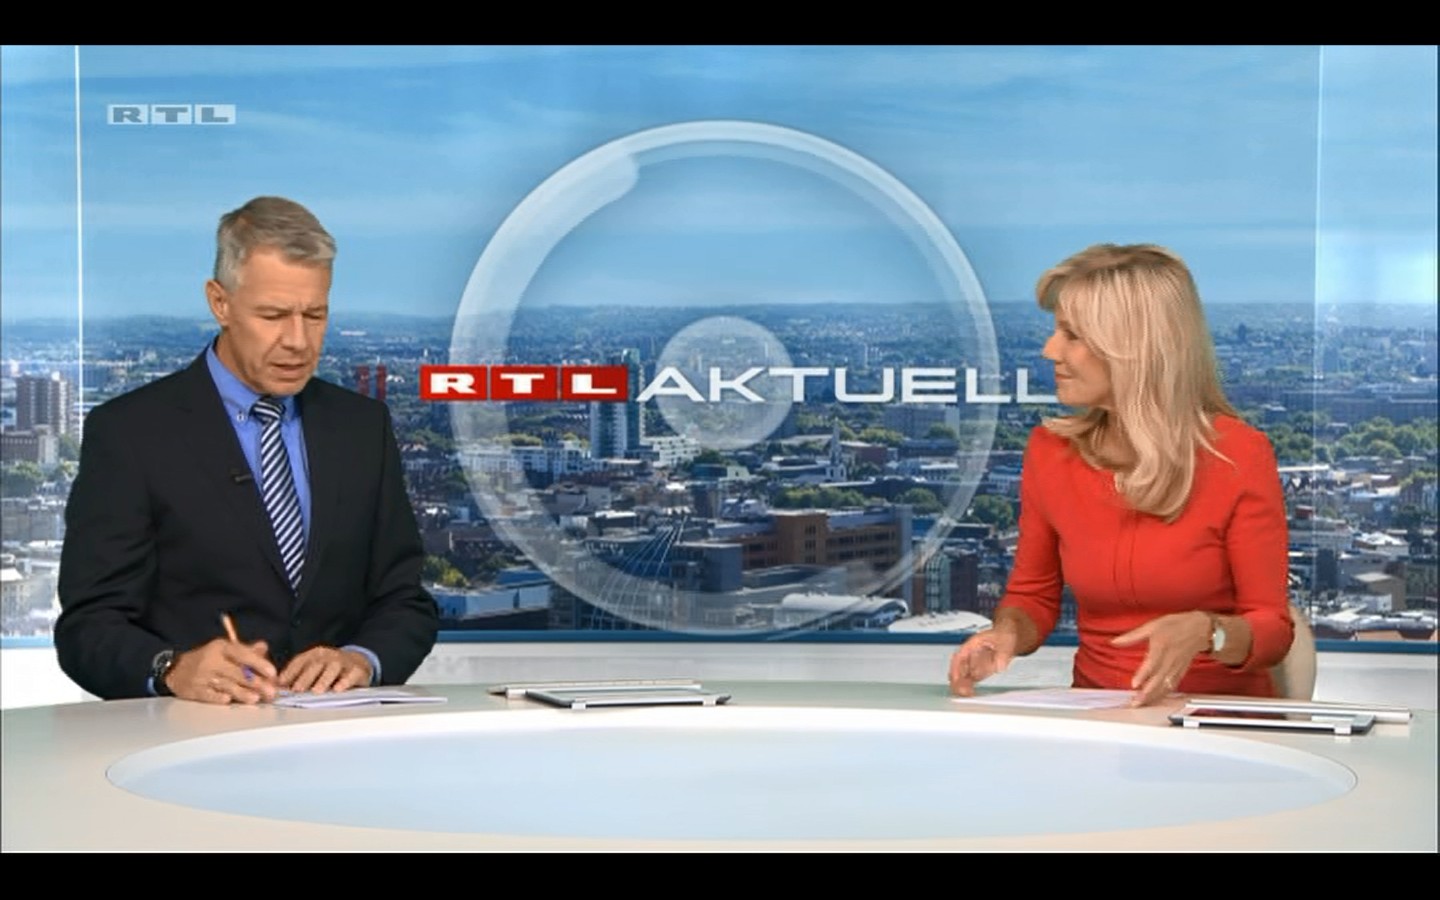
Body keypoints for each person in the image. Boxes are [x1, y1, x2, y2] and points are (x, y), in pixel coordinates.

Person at [55, 196, 438, 703]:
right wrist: (171, 668)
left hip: (338, 732)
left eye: (315, 314)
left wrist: (362, 659)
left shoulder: (362, 427)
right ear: (220, 303)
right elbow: (88, 626)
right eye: (274, 315)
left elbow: (405, 600)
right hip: (192, 734)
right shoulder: (131, 433)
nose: (298, 341)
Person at [948, 243, 1293, 706]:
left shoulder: (1238, 455)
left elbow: (1273, 631)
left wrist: (1207, 632)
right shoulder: (1050, 453)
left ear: (1134, 348)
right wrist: (1005, 635)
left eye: (1072, 335)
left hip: (1214, 718)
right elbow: (1033, 597)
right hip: (1097, 715)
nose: (1050, 350)